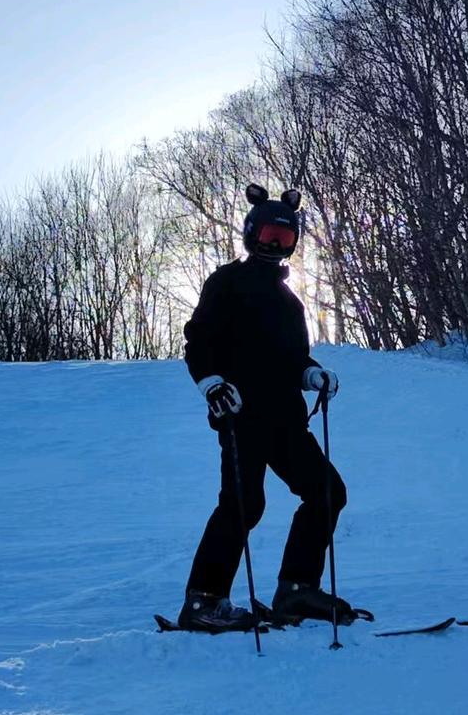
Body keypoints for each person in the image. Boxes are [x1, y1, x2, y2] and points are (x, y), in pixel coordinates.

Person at [177, 183, 352, 633]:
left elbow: (293, 358)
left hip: (286, 420)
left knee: (326, 491)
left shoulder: (290, 302)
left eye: (286, 238)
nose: (277, 244)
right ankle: (204, 601)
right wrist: (213, 385)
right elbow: (199, 341)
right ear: (251, 233)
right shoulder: (227, 282)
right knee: (243, 503)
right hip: (241, 415)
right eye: (270, 235)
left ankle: (296, 589)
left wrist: (311, 374)